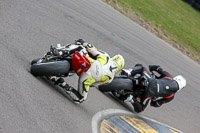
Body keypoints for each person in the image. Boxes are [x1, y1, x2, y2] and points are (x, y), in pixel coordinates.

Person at [50, 39, 125, 103]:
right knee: (81, 98)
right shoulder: (110, 78)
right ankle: (63, 84)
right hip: (86, 78)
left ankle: (61, 52)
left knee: (80, 47)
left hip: (86, 62)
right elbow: (94, 84)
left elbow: (91, 48)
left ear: (114, 58)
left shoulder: (106, 56)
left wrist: (83, 43)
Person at [120, 64, 186, 113]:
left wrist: (151, 67)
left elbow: (158, 68)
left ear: (176, 78)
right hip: (148, 95)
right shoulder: (171, 96)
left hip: (149, 80)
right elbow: (157, 104)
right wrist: (153, 101)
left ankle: (129, 72)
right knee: (140, 109)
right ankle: (131, 98)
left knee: (141, 67)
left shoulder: (169, 77)